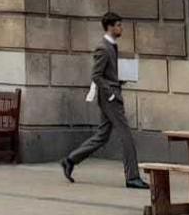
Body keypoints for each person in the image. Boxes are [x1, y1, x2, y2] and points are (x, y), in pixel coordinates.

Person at [61, 11, 143, 189]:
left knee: (102, 136)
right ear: (110, 27)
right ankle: (132, 177)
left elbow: (107, 74)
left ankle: (70, 159)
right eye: (119, 25)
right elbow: (96, 76)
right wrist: (111, 92)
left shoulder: (112, 46)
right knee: (126, 136)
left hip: (112, 93)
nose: (121, 28)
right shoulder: (103, 47)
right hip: (110, 98)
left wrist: (123, 77)